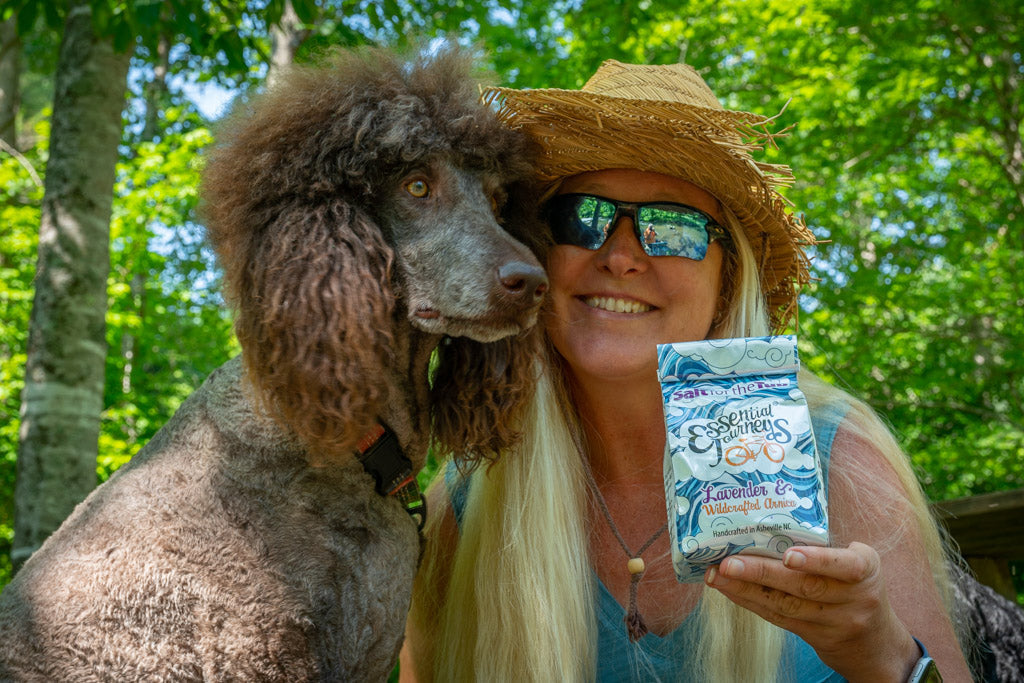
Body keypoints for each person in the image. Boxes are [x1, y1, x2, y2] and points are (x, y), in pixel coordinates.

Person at [400, 60, 972, 682]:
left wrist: (884, 655)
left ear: (727, 281)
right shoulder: (468, 502)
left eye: (674, 229)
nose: (620, 256)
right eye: (579, 219)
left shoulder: (842, 466)